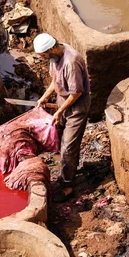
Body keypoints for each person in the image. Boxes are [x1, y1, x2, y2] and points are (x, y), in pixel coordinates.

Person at [34, 33, 91, 200]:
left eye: (43, 55)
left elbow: (76, 93)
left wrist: (59, 111)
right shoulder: (55, 57)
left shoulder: (71, 62)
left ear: (51, 48)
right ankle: (67, 167)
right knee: (57, 135)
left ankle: (67, 186)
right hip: (62, 100)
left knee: (69, 147)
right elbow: (55, 80)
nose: (43, 58)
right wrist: (44, 97)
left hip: (77, 106)